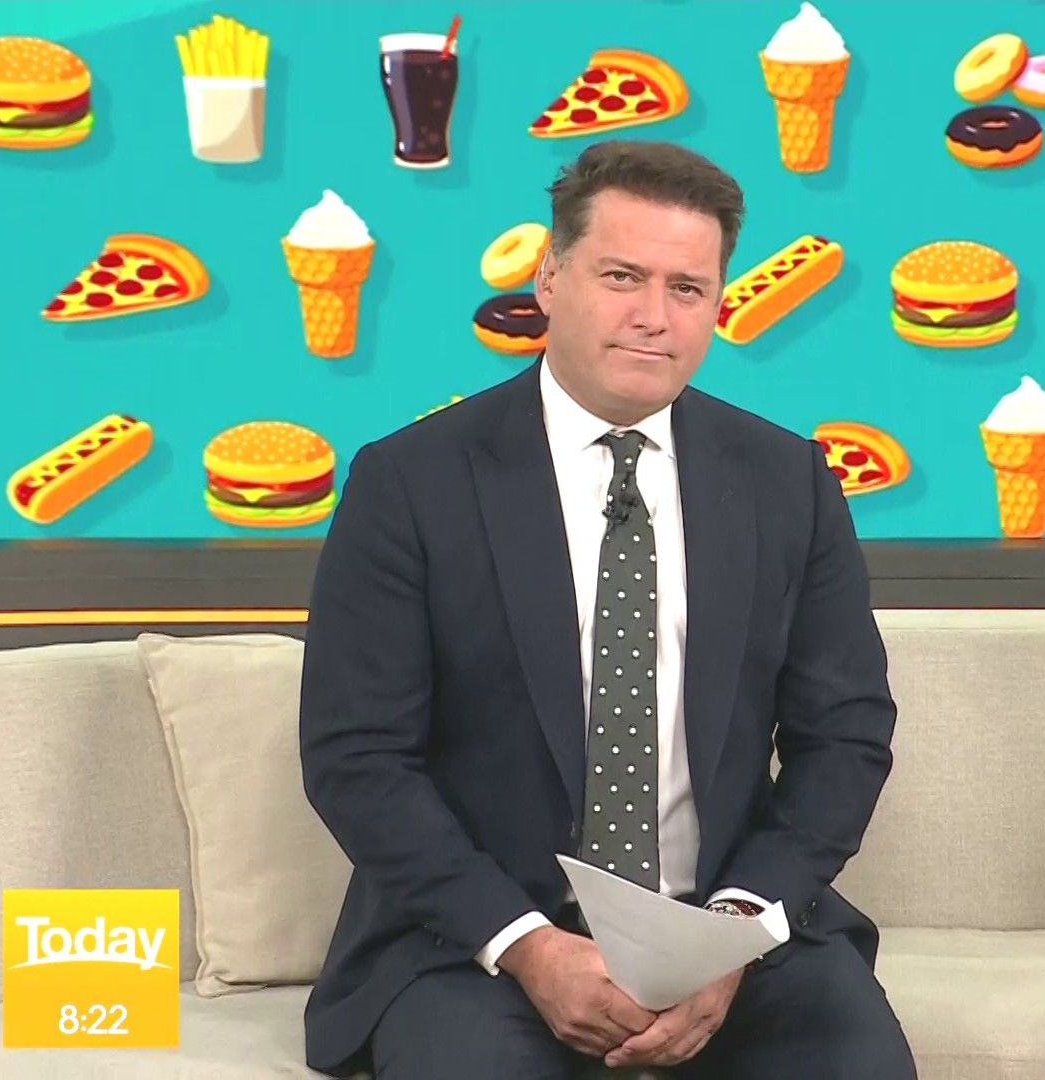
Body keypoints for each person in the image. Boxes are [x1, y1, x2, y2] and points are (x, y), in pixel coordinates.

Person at [298, 140, 916, 1080]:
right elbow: (357, 758)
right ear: (549, 278)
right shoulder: (411, 483)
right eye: (622, 276)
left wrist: (733, 932)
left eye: (687, 289)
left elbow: (846, 737)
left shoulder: (787, 481)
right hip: (479, 944)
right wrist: (529, 947)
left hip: (728, 934)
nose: (653, 317)